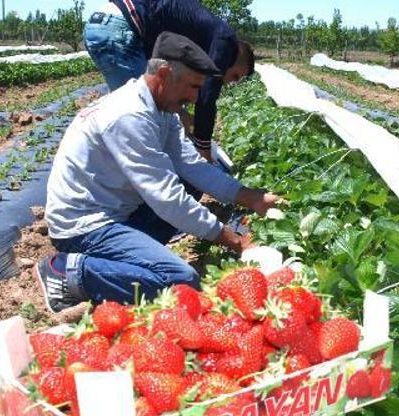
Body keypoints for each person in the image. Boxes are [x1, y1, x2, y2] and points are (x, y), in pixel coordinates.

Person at [35, 32, 278, 312]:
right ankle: (68, 272)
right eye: (192, 86)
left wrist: (252, 198)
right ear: (164, 73)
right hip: (84, 227)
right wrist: (236, 242)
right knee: (180, 281)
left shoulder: (162, 109)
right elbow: (167, 198)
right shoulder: (129, 116)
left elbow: (193, 167)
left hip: (117, 213)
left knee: (190, 186)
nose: (196, 97)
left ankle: (126, 260)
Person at [83, 0, 254, 162]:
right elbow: (207, 96)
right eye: (236, 76)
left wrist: (180, 113)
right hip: (121, 27)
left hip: (106, 23)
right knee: (138, 113)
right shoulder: (226, 41)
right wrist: (203, 148)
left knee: (138, 110)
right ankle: (125, 174)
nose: (232, 82)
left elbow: (169, 83)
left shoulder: (203, 35)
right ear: (239, 57)